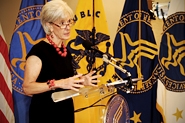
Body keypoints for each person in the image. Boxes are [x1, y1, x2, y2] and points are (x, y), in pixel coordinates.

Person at [22, 0, 101, 123]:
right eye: (62, 23)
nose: (68, 27)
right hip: (45, 114)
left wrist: (82, 81)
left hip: (65, 112)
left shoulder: (65, 51)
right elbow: (27, 88)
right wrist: (58, 83)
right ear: (49, 26)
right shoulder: (39, 51)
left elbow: (66, 82)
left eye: (69, 21)